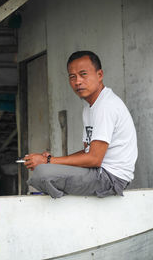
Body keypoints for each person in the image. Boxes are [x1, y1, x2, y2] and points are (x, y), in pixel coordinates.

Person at [24, 51, 138, 198]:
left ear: (99, 75)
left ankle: (60, 201)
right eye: (72, 77)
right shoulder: (89, 107)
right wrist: (53, 161)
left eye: (83, 74)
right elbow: (87, 153)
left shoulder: (106, 106)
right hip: (98, 172)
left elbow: (94, 159)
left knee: (43, 173)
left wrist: (48, 161)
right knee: (47, 169)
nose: (77, 81)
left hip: (110, 178)